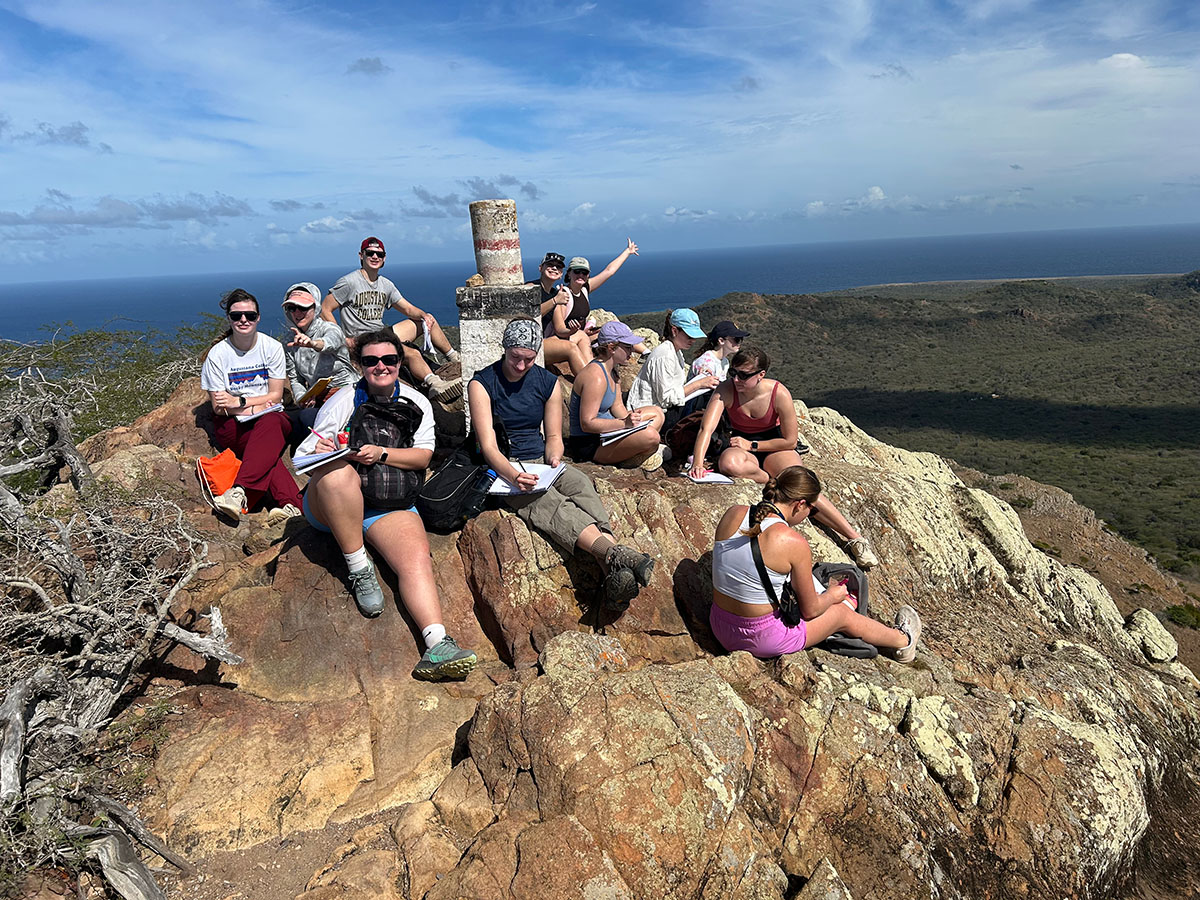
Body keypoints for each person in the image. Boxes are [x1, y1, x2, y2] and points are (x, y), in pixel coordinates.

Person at [302, 328, 477, 681]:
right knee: (338, 475)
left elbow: (422, 457)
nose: (381, 366)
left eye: (389, 359)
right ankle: (358, 567)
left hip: (387, 502)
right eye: (371, 361)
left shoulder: (417, 402)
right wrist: (322, 452)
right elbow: (302, 457)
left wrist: (380, 453)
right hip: (334, 502)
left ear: (400, 361)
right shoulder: (341, 400)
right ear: (359, 365)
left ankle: (437, 644)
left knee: (415, 561)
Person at [468, 318, 655, 610]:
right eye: (515, 358)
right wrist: (514, 474)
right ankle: (614, 557)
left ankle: (613, 571)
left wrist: (554, 457)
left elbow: (554, 436)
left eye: (528, 359)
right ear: (504, 350)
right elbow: (488, 446)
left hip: (540, 460)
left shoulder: (547, 382)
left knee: (580, 484)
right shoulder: (482, 383)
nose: (521, 366)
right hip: (503, 465)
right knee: (550, 502)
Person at [689, 345, 879, 568]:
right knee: (729, 463)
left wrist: (753, 445)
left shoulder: (778, 394)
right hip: (742, 446)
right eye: (734, 373)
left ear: (761, 375)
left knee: (800, 485)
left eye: (744, 375)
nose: (737, 380)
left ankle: (854, 538)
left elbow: (790, 440)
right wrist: (699, 463)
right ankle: (769, 481)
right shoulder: (726, 390)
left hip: (774, 445)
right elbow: (706, 429)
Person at [709, 466, 920, 662]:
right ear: (800, 504)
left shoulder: (734, 513)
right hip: (761, 640)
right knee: (842, 614)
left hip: (720, 627)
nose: (810, 514)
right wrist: (833, 595)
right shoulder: (793, 542)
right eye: (812, 509)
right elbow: (810, 611)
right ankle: (903, 641)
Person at [200, 288, 303, 524]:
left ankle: (239, 493)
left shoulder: (271, 348)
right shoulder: (218, 355)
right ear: (229, 318)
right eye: (237, 316)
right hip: (232, 425)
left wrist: (240, 402)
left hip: (268, 418)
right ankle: (293, 506)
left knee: (272, 420)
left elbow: (275, 396)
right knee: (267, 454)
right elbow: (218, 408)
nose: (243, 320)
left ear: (258, 317)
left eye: (249, 315)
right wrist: (254, 404)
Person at [321, 237, 462, 402]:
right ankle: (435, 384)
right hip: (361, 340)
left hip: (380, 334)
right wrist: (342, 340)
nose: (375, 257)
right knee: (411, 353)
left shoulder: (385, 284)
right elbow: (325, 309)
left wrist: (424, 316)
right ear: (361, 255)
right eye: (370, 253)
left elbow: (407, 309)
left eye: (379, 254)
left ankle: (454, 358)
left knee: (425, 320)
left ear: (384, 258)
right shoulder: (349, 282)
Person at [567, 321, 665, 468]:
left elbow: (617, 406)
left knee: (657, 413)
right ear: (612, 348)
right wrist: (624, 424)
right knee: (651, 435)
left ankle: (635, 451)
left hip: (607, 435)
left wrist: (632, 422)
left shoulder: (612, 371)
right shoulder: (596, 377)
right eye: (627, 347)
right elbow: (587, 424)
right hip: (591, 444)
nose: (631, 352)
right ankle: (635, 456)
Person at [542, 239, 639, 376]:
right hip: (560, 338)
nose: (581, 275)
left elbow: (608, 271)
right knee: (581, 335)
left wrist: (627, 252)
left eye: (584, 272)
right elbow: (559, 329)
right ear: (568, 274)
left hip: (579, 334)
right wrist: (572, 330)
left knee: (614, 330)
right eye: (577, 271)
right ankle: (591, 377)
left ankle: (645, 353)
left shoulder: (585, 289)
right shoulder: (563, 295)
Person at [628, 309, 719, 432]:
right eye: (689, 336)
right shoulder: (664, 354)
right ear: (674, 330)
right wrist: (699, 384)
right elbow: (666, 398)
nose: (693, 340)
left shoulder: (676, 352)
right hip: (654, 413)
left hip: (665, 410)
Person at [280, 282, 357, 428]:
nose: (297, 313)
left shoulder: (329, 328)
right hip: (318, 398)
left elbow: (331, 342)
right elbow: (296, 378)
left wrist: (313, 344)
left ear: (315, 308)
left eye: (303, 307)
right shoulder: (289, 341)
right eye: (292, 308)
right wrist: (303, 398)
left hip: (345, 392)